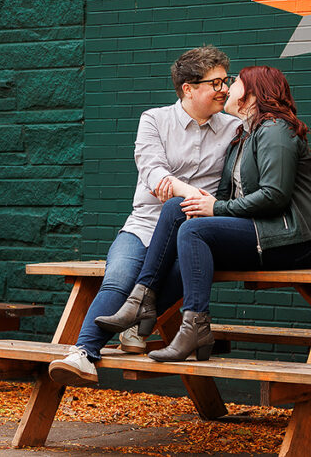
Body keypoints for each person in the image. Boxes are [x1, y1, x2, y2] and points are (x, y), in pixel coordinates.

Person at [96, 65, 311, 363]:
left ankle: (194, 325)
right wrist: (206, 204)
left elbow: (275, 196)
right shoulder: (245, 134)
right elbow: (232, 195)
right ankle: (143, 299)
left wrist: (215, 209)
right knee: (178, 208)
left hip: (291, 239)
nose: (228, 88)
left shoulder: (275, 130)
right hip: (260, 229)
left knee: (194, 231)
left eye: (236, 83)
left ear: (254, 93)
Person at [47, 46, 240, 386]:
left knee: (176, 273)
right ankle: (83, 354)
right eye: (216, 82)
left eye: (227, 80)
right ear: (189, 89)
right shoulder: (154, 120)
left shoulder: (234, 129)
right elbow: (154, 175)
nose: (224, 88)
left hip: (194, 235)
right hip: (144, 225)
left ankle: (137, 324)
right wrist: (191, 192)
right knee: (119, 279)